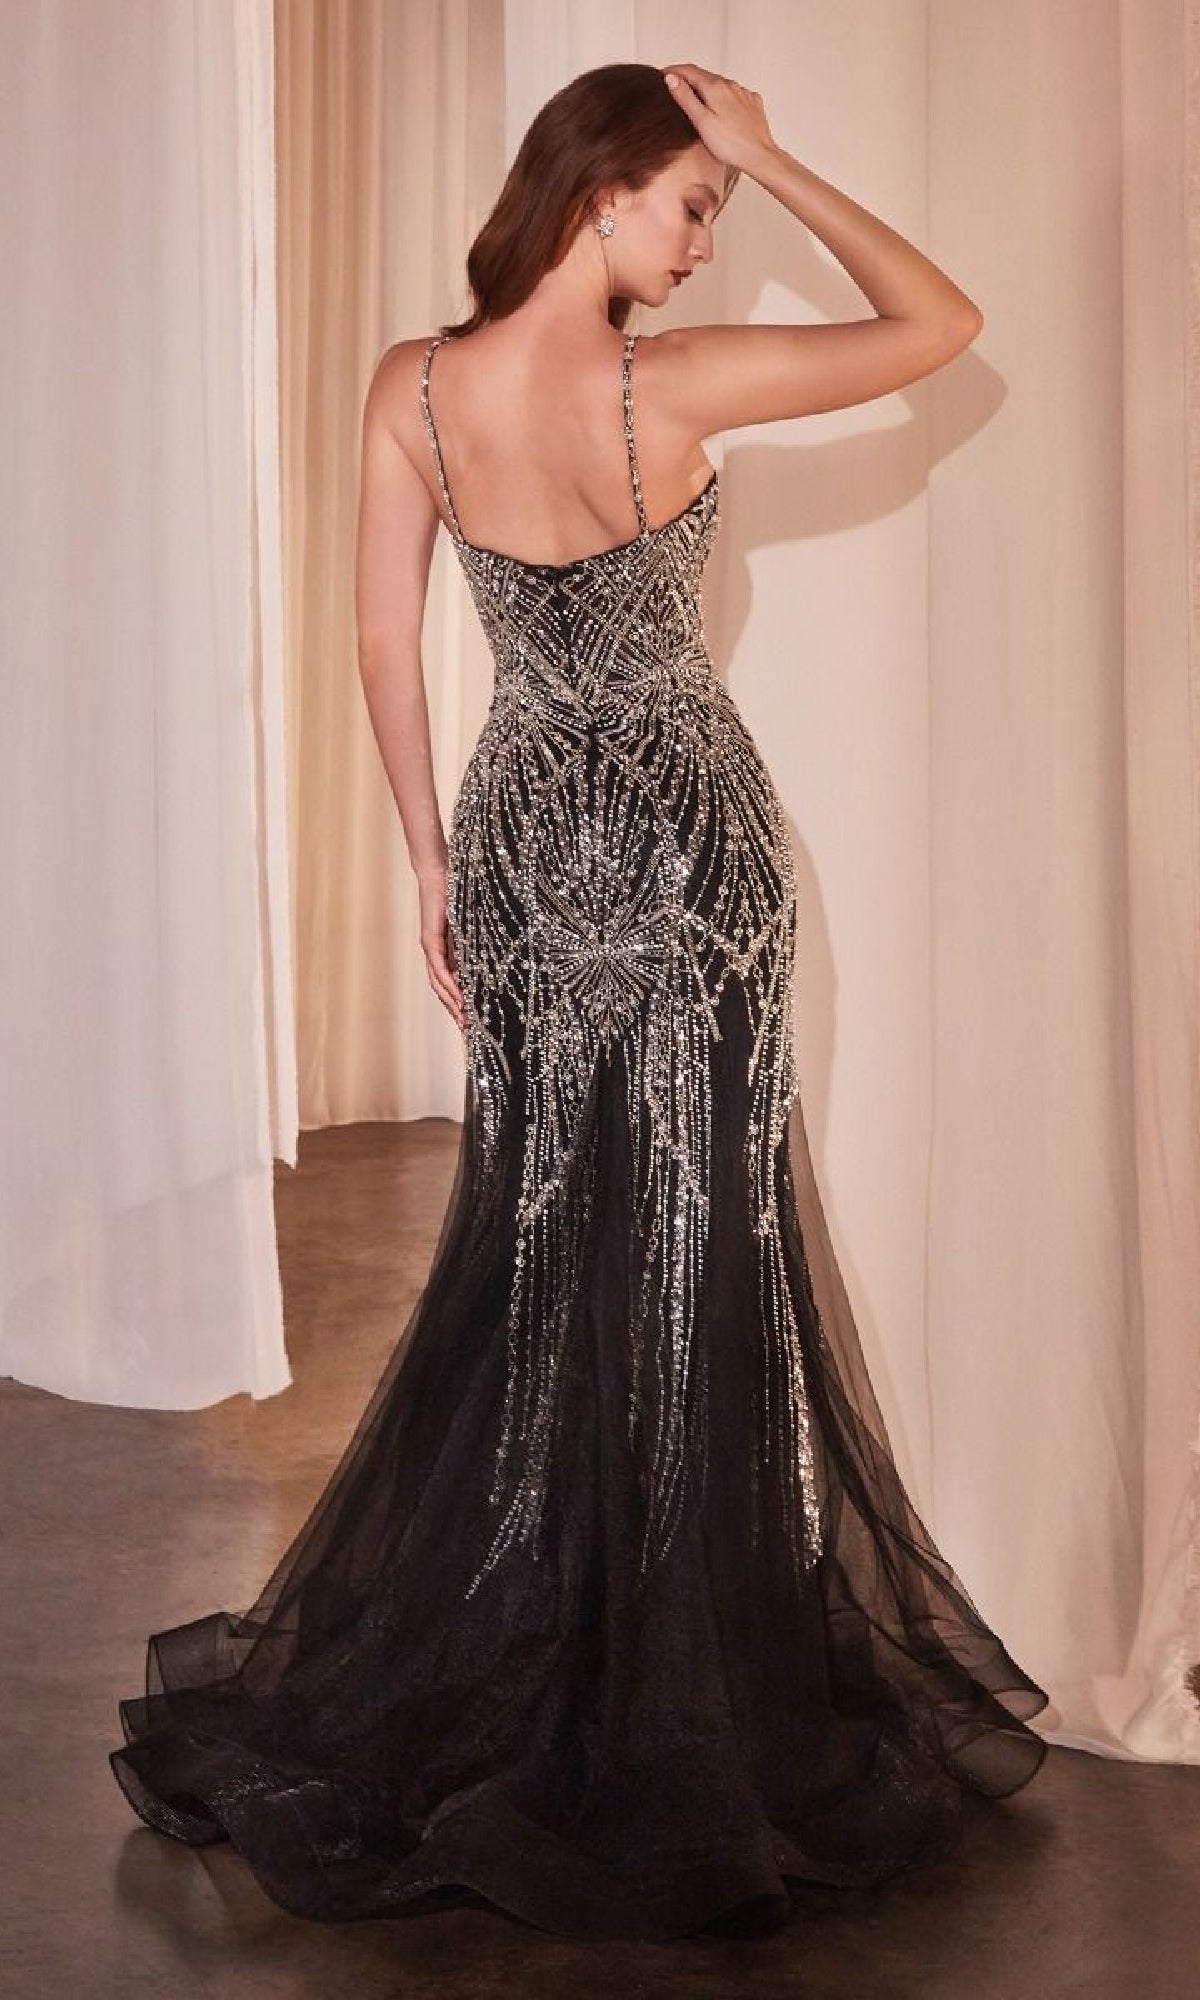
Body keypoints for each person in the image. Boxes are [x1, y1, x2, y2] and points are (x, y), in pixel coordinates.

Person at [110, 59, 1048, 1942]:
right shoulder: (666, 388)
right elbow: (942, 326)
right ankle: (683, 1683)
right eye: (693, 204)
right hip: (695, 851)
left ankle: (551, 1644)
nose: (704, 243)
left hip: (525, 839)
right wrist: (781, 149)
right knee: (699, 1243)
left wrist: (429, 863)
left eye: (721, 208)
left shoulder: (413, 386)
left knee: (541, 1245)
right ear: (599, 187)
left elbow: (385, 640)